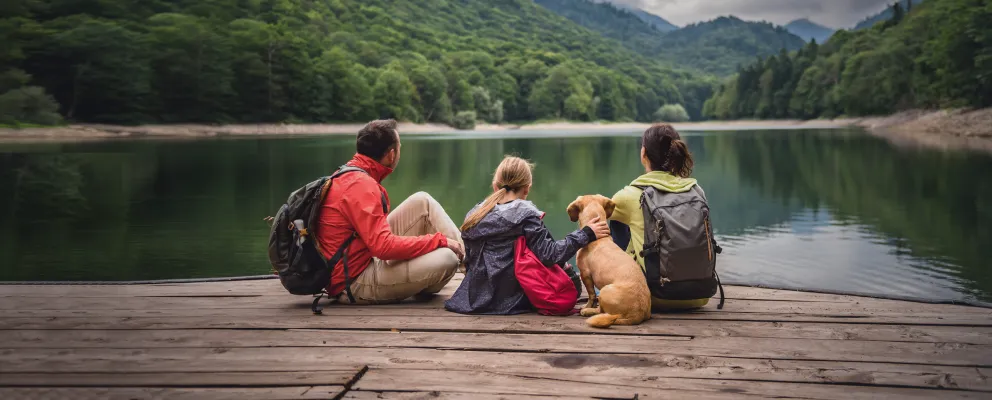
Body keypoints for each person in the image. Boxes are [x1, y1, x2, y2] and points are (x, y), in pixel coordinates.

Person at [316, 119, 465, 305]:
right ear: (391, 155)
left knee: (422, 201)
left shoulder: (348, 173)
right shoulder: (362, 186)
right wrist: (439, 241)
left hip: (361, 256)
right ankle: (472, 269)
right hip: (353, 282)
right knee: (447, 258)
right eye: (400, 146)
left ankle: (473, 267)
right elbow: (384, 248)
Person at [445, 156, 611, 315]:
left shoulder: (474, 214)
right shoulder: (525, 215)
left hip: (473, 297)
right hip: (514, 299)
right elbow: (550, 255)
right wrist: (586, 233)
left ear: (495, 186)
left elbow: (470, 262)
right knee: (567, 274)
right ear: (527, 188)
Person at [609, 123, 710, 309]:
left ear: (643, 154)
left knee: (614, 220)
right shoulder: (697, 191)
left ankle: (614, 283)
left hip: (651, 295)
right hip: (701, 295)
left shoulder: (629, 195)